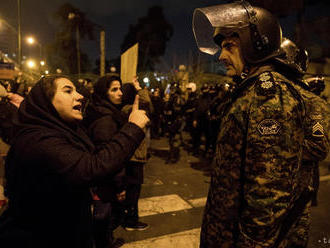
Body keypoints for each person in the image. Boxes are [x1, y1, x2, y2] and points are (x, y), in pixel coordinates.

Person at [192, 1, 324, 247]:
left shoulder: (269, 97)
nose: (221, 56)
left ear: (257, 44)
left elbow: (266, 200)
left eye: (229, 46)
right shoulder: (251, 90)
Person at [0, 75, 149, 248]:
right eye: (68, 91)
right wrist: (133, 128)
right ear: (46, 102)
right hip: (42, 238)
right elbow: (92, 168)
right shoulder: (39, 140)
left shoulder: (61, 130)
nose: (79, 96)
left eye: (76, 90)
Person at [83, 75, 127, 248]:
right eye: (114, 89)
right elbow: (110, 156)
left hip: (100, 179)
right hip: (104, 181)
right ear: (103, 93)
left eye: (120, 88)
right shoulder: (106, 120)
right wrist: (120, 185)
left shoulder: (101, 111)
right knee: (103, 218)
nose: (120, 93)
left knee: (102, 219)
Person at [120, 77, 153, 231]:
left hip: (129, 156)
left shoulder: (122, 109)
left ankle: (128, 218)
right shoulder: (131, 110)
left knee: (130, 189)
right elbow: (148, 103)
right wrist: (139, 87)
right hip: (135, 157)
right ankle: (131, 221)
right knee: (134, 190)